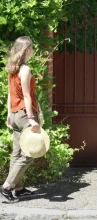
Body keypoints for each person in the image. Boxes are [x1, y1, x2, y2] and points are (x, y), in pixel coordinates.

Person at [1, 36, 40, 203]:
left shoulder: (12, 68)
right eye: (31, 48)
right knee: (30, 152)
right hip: (25, 115)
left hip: (16, 114)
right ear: (26, 50)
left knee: (17, 153)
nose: (32, 51)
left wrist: (10, 114)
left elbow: (11, 94)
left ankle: (18, 188)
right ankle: (7, 186)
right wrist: (32, 119)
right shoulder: (25, 69)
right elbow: (26, 96)